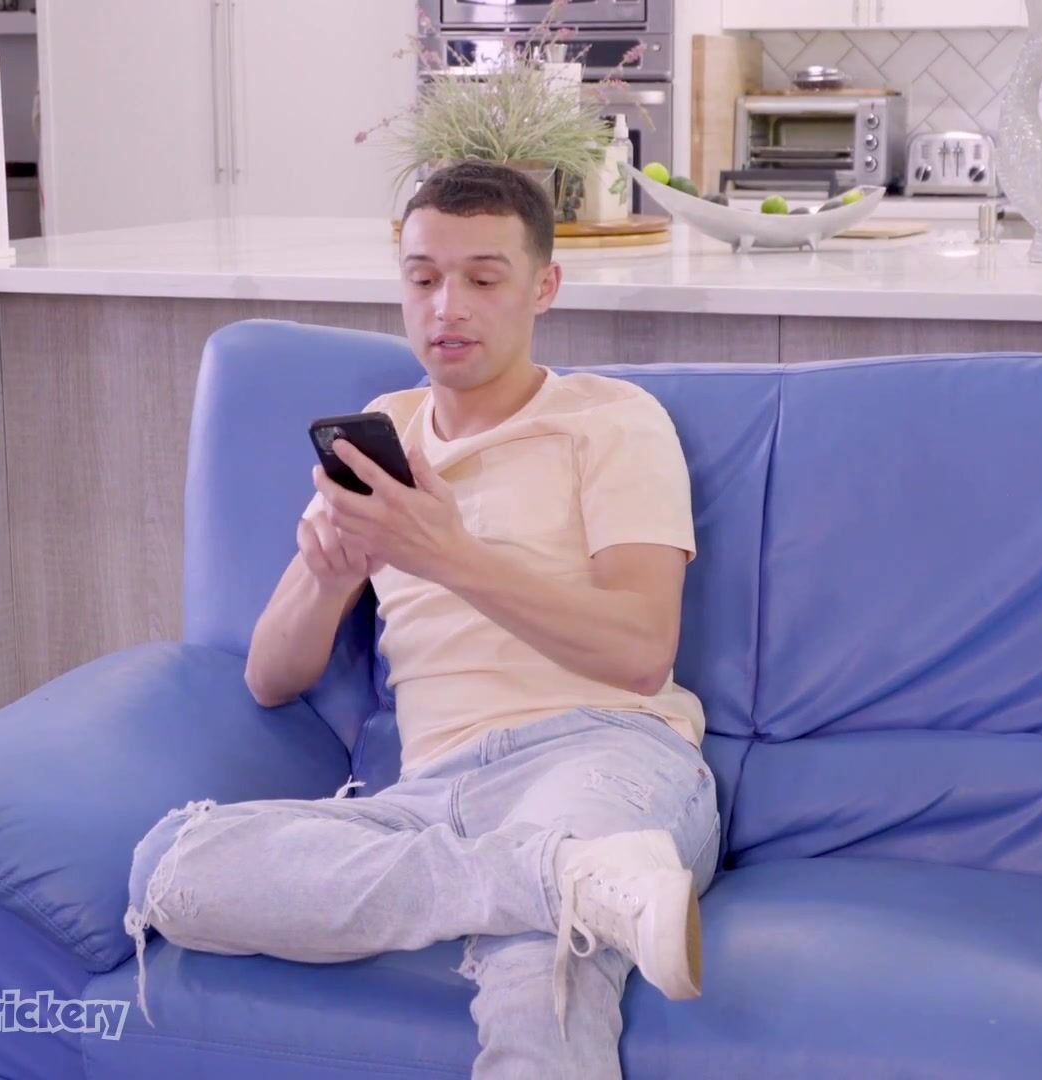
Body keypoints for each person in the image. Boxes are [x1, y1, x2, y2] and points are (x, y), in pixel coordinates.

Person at [121, 160, 716, 1079]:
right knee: (174, 868)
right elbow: (269, 677)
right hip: (433, 798)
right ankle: (566, 878)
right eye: (424, 278)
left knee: (540, 969)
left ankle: (563, 878)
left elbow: (641, 652)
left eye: (483, 280)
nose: (448, 308)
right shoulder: (383, 434)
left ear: (543, 287)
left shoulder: (612, 420)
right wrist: (329, 577)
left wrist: (449, 554)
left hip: (604, 753)